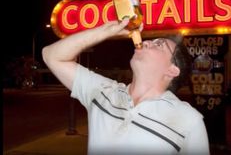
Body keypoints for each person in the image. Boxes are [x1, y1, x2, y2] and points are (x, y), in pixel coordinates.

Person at [42, 18, 209, 155]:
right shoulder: (104, 91)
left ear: (172, 70)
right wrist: (106, 31)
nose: (148, 42)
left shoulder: (189, 120)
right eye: (152, 40)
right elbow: (51, 56)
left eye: (159, 45)